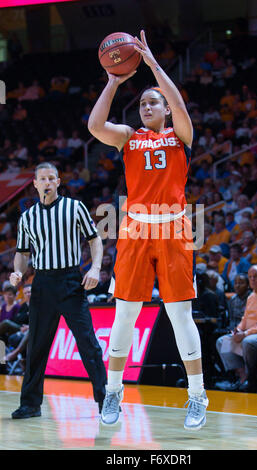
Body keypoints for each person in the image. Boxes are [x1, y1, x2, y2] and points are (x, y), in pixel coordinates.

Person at [88, 30, 208, 431]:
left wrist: (154, 65)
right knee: (124, 314)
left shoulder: (181, 135)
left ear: (166, 110)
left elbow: (177, 103)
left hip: (174, 228)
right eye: (142, 102)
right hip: (136, 230)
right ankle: (113, 391)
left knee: (179, 315)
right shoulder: (128, 138)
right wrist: (113, 81)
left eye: (153, 102)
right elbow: (94, 126)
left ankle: (196, 394)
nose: (147, 106)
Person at [9, 162, 107, 419]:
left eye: (52, 178)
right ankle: (30, 404)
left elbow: (94, 239)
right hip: (41, 283)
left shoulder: (74, 208)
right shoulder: (27, 217)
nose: (48, 183)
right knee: (36, 346)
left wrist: (95, 268)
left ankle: (105, 401)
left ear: (58, 182)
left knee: (88, 343)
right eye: (43, 179)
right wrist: (18, 271)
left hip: (70, 281)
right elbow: (21, 253)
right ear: (35, 184)